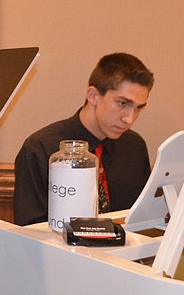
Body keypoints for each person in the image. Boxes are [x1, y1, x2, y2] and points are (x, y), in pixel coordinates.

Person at [13, 52, 154, 226]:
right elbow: (29, 230)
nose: (129, 119)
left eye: (138, 108)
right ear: (93, 95)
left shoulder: (134, 147)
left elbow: (142, 217)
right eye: (123, 103)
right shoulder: (40, 148)